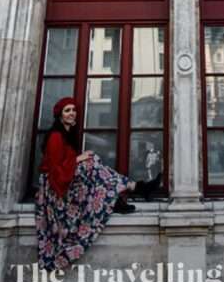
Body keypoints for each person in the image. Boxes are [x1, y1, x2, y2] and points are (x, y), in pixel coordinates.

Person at [35, 96, 162, 272]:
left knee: (92, 161)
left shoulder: (66, 135)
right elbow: (55, 170)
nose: (72, 113)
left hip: (66, 180)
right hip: (54, 188)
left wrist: (79, 159)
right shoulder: (55, 136)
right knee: (91, 161)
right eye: (67, 110)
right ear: (60, 115)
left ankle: (120, 196)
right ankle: (134, 189)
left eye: (73, 110)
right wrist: (79, 158)